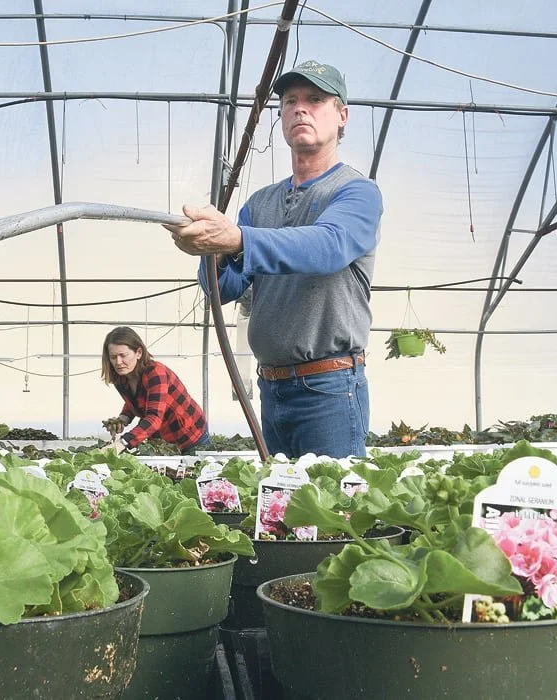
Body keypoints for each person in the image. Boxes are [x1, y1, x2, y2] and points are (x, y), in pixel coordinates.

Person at [163, 59, 383, 459]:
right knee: (282, 510)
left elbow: (327, 247)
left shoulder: (355, 192)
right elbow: (225, 289)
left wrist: (237, 238)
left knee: (333, 511)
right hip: (273, 388)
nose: (300, 108)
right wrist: (208, 246)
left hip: (329, 388)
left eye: (316, 99)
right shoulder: (260, 203)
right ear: (281, 116)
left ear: (342, 116)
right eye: (290, 101)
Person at [101, 326, 210, 454]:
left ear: (139, 353)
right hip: (163, 441)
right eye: (113, 357)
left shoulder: (156, 373)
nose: (118, 362)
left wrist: (122, 443)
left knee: (197, 471)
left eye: (123, 355)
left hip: (190, 435)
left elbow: (154, 418)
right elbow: (136, 400)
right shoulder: (120, 378)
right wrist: (123, 418)